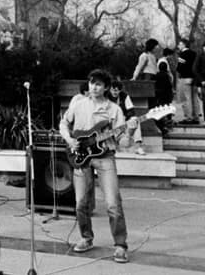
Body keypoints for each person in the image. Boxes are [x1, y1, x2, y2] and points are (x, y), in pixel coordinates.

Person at [59, 69, 135, 264]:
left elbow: (124, 143)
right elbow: (63, 124)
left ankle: (120, 245)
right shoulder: (78, 105)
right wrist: (69, 140)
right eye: (92, 83)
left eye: (99, 84)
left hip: (105, 158)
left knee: (112, 203)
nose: (94, 87)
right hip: (80, 156)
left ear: (107, 87)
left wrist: (131, 130)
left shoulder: (114, 110)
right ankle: (86, 238)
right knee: (80, 203)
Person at [110, 81, 146, 155]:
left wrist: (125, 116)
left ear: (120, 90)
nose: (115, 92)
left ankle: (138, 147)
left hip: (123, 122)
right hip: (110, 124)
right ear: (110, 89)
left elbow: (131, 111)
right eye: (113, 90)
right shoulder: (105, 96)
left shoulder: (125, 96)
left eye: (117, 90)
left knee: (135, 120)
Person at [175, 38, 199, 124]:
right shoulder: (194, 54)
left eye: (179, 44)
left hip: (185, 78)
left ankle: (189, 117)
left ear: (184, 44)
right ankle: (196, 117)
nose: (178, 46)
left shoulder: (182, 54)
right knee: (194, 98)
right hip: (194, 79)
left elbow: (179, 67)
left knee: (186, 98)